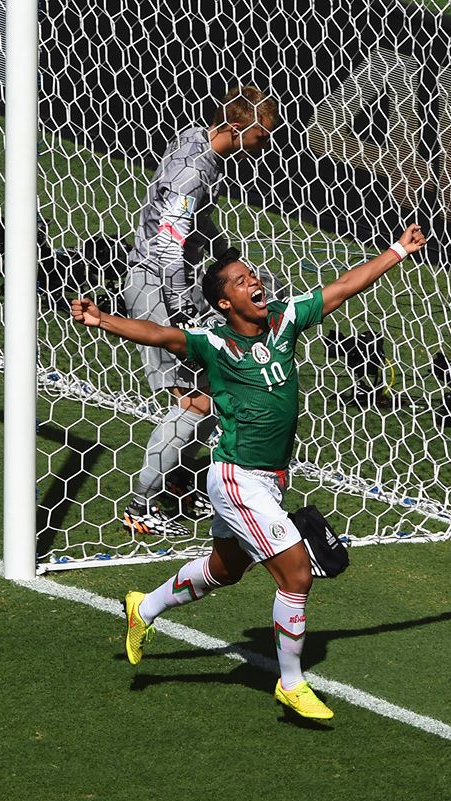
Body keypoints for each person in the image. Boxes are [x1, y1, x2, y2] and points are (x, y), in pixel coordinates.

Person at [71, 222, 427, 721]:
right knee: (296, 574)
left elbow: (345, 286)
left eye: (251, 275)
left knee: (226, 569)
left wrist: (396, 251)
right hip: (236, 475)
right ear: (223, 303)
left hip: (269, 480)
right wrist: (102, 319)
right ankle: (291, 683)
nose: (253, 281)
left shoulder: (285, 320)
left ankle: (143, 607)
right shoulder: (211, 342)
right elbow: (159, 334)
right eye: (239, 281)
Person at [123, 85, 279, 536]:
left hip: (177, 284)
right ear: (236, 128)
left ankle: (171, 488)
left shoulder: (196, 141)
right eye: (261, 137)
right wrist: (182, 312)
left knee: (212, 390)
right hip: (158, 286)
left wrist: (219, 245)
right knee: (194, 400)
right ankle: (140, 504)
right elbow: (168, 242)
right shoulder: (196, 170)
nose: (263, 147)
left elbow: (182, 219)